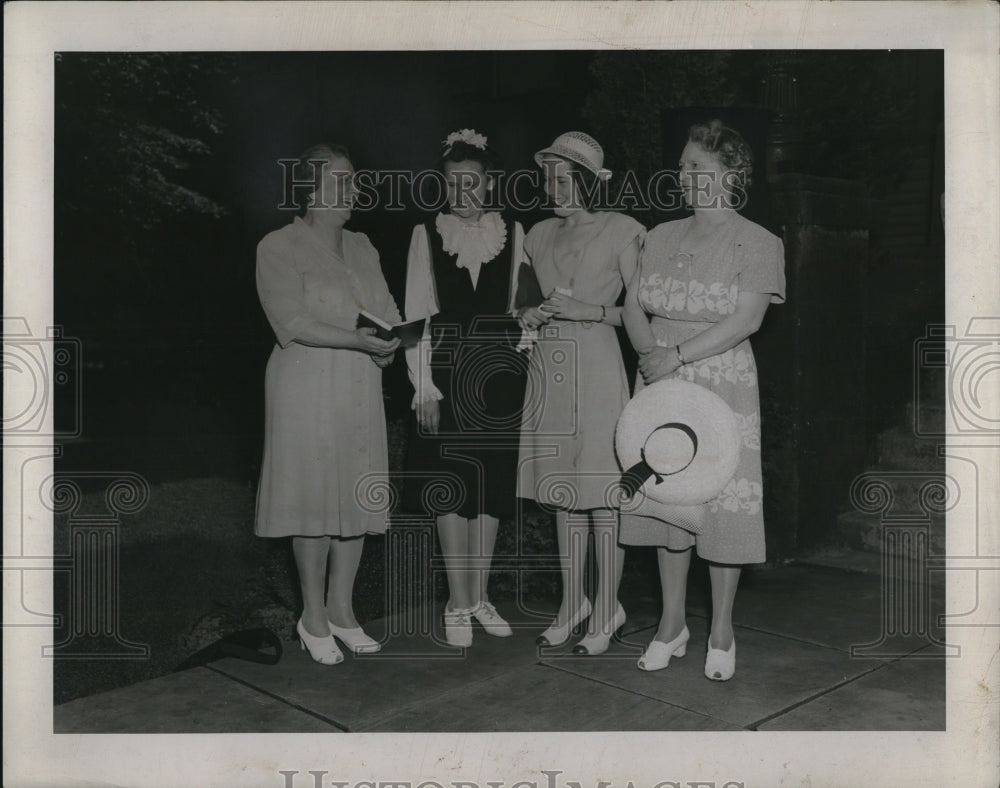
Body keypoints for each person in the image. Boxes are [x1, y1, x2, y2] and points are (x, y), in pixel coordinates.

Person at [621, 120, 786, 680]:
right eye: (684, 165)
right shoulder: (658, 236)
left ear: (731, 175)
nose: (685, 175)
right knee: (669, 499)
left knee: (719, 504)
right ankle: (672, 624)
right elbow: (632, 306)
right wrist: (652, 356)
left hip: (721, 381)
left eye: (699, 167)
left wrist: (677, 356)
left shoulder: (760, 242)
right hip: (660, 381)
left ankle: (720, 627)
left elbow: (748, 318)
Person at [255, 143, 401, 664]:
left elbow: (385, 310)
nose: (354, 190)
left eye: (355, 180)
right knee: (314, 500)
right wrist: (359, 340)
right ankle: (312, 617)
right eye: (342, 181)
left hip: (359, 384)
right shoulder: (278, 245)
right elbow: (290, 321)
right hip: (305, 385)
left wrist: (387, 346)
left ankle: (342, 612)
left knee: (355, 497)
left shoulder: (363, 245)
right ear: (310, 190)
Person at [517, 132, 645, 655]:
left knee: (601, 495)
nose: (552, 187)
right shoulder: (538, 235)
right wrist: (526, 313)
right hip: (549, 366)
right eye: (547, 177)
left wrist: (588, 311)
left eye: (563, 178)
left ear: (588, 181)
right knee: (562, 495)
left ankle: (607, 604)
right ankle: (574, 603)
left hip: (596, 365)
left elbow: (641, 312)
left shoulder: (626, 231)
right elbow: (522, 300)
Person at [403, 129, 530, 647]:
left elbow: (527, 308)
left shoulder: (515, 233)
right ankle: (457, 603)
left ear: (489, 182)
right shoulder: (425, 235)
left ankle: (479, 597)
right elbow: (415, 318)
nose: (463, 192)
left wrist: (521, 356)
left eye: (472, 181)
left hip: (500, 376)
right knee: (453, 485)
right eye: (454, 183)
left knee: (491, 487)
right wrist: (424, 388)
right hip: (449, 375)